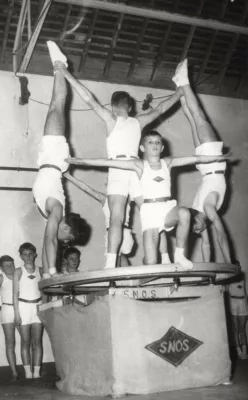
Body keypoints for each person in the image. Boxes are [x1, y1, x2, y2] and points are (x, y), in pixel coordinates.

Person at [49, 40, 183, 269]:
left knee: (117, 219)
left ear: (112, 107)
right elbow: (161, 109)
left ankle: (111, 263)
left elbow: (89, 98)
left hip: (120, 170)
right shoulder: (138, 121)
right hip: (138, 169)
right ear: (130, 107)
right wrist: (180, 91)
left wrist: (67, 73)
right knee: (154, 211)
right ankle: (168, 258)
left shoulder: (111, 119)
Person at [67, 131, 230, 268]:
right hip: (150, 214)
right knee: (152, 261)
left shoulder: (168, 162)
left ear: (163, 147)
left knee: (185, 213)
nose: (155, 145)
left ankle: (179, 255)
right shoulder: (138, 165)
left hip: (166, 208)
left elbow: (196, 159)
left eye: (158, 142)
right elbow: (107, 162)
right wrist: (82, 161)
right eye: (150, 142)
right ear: (142, 147)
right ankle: (147, 264)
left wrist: (218, 158)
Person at [32, 42, 88, 278]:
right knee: (58, 103)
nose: (64, 241)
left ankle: (59, 65)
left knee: (57, 104)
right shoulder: (56, 211)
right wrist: (53, 271)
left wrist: (46, 273)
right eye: (68, 238)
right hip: (53, 157)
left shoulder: (54, 215)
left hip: (50, 158)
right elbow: (50, 240)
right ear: (66, 228)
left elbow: (48, 240)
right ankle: (59, 65)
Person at [173, 59, 231, 263]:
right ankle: (181, 83)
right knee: (196, 116)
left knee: (195, 117)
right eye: (196, 228)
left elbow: (207, 241)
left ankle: (182, 83)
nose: (197, 230)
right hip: (210, 164)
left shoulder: (200, 211)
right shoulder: (207, 211)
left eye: (194, 228)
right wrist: (229, 262)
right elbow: (217, 238)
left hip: (207, 165)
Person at [64, 172, 134, 266]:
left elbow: (87, 189)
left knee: (114, 263)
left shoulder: (106, 199)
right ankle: (130, 280)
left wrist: (69, 176)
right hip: (125, 233)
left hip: (113, 234)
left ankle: (119, 279)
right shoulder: (126, 198)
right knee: (121, 257)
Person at [13, 243, 43, 379]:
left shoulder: (41, 270)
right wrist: (16, 313)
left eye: (30, 253)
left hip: (37, 307)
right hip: (23, 307)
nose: (28, 257)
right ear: (21, 256)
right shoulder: (18, 271)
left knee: (37, 341)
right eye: (25, 254)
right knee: (25, 341)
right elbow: (14, 294)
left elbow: (45, 291)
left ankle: (36, 372)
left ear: (35, 254)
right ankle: (27, 372)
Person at [0, 255, 19, 381]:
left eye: (11, 264)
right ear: (1, 268)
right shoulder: (0, 277)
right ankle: (14, 373)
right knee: (10, 343)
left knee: (26, 341)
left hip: (21, 308)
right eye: (6, 266)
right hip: (7, 310)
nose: (10, 267)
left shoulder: (20, 274)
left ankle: (29, 371)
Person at [227, 270, 248, 359]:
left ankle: (244, 352)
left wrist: (247, 304)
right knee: (235, 329)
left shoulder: (242, 275)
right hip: (233, 302)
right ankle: (239, 352)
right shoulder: (229, 276)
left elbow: (244, 291)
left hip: (242, 302)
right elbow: (227, 292)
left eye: (238, 266)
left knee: (242, 328)